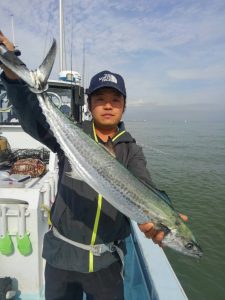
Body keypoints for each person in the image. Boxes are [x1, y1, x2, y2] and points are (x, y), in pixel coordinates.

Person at [0, 31, 187, 300]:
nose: (108, 106)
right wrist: (10, 64)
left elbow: (144, 186)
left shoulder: (131, 151)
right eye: (100, 99)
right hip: (61, 257)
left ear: (123, 106)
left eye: (115, 100)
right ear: (89, 104)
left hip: (106, 264)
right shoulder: (71, 134)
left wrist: (157, 214)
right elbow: (31, 117)